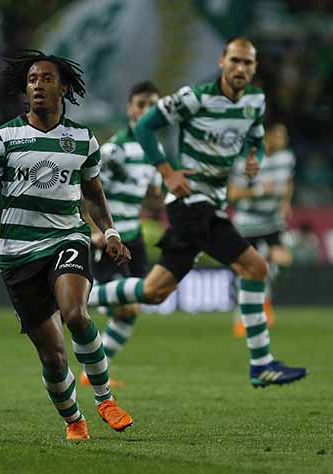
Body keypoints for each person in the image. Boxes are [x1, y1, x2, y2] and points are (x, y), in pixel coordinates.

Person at [87, 37, 307, 388]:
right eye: (235, 60)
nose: (240, 68)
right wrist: (167, 172)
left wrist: (254, 157)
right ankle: (261, 364)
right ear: (222, 62)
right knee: (255, 267)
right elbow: (144, 126)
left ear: (254, 68)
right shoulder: (195, 98)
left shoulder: (255, 101)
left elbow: (255, 137)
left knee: (154, 291)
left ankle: (75, 296)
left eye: (247, 63)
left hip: (211, 204)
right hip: (191, 203)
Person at [0, 50, 134, 440]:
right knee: (54, 357)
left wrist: (110, 232)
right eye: (32, 80)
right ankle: (74, 421)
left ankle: (106, 399)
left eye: (46, 79)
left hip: (67, 237)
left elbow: (94, 196)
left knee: (75, 314)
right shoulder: (3, 138)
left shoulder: (81, 139)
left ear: (63, 88)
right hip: (17, 253)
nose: (38, 86)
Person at [80, 81, 163, 387]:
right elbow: (83, 192)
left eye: (153, 105)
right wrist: (95, 231)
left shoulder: (155, 150)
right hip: (111, 240)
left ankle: (92, 373)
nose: (147, 110)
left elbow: (151, 195)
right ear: (130, 109)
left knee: (132, 310)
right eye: (141, 104)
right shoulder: (114, 150)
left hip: (134, 239)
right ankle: (72, 299)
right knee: (126, 304)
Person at [228, 123, 295, 336]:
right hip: (248, 223)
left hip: (273, 221)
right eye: (280, 135)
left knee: (283, 262)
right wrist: (258, 190)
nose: (284, 140)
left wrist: (285, 201)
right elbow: (233, 194)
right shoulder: (246, 161)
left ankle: (264, 298)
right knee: (247, 272)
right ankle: (242, 316)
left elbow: (288, 181)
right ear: (267, 136)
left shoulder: (286, 158)